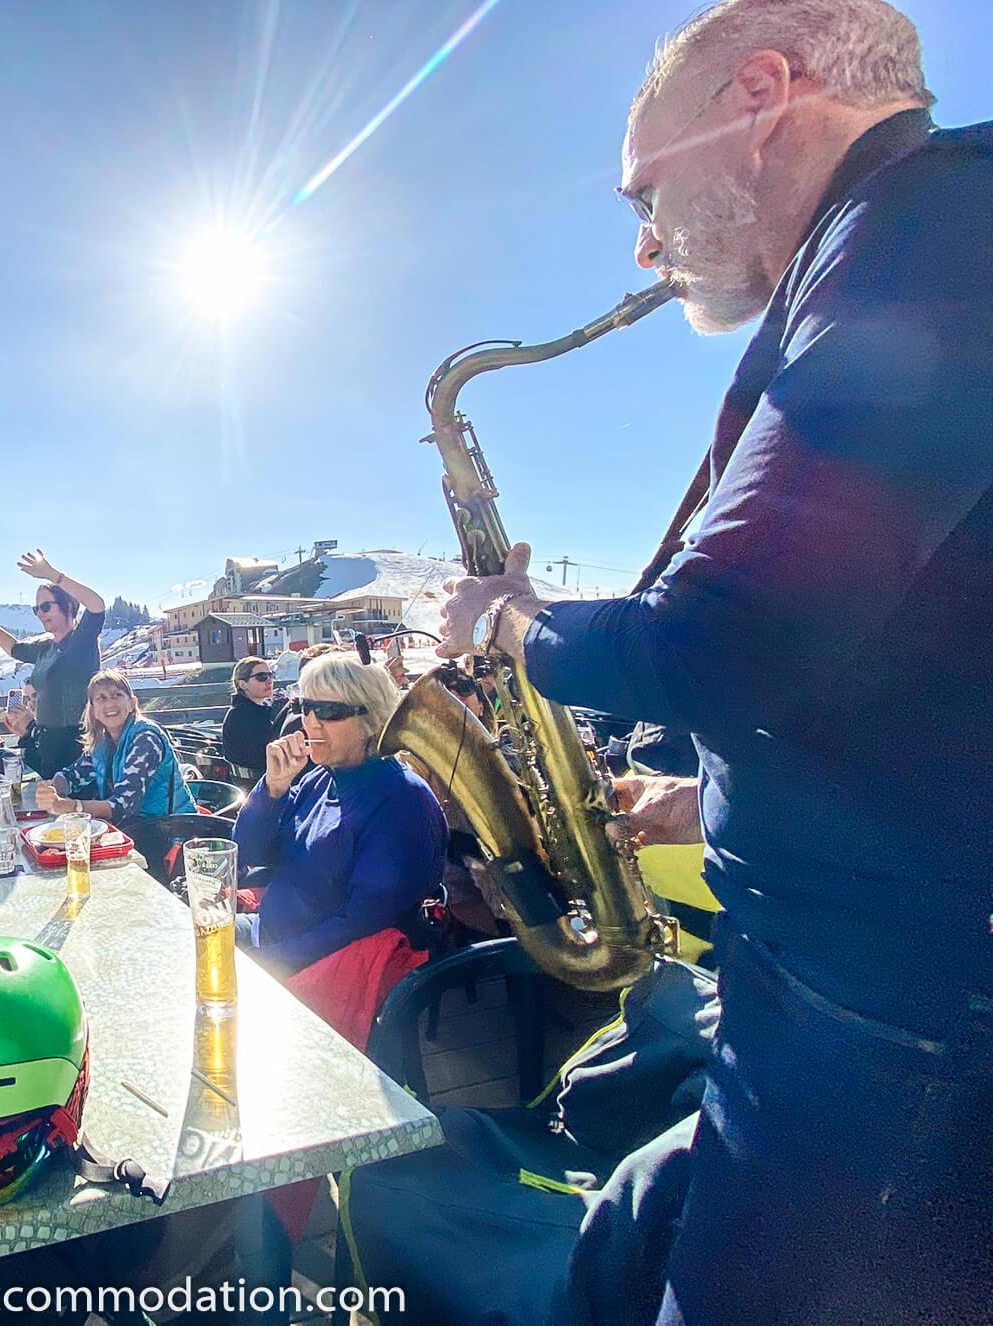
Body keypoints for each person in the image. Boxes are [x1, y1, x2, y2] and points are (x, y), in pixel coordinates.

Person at [437, 3, 992, 1320]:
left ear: (763, 94)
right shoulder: (901, 247)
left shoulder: (922, 237)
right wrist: (704, 799)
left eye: (643, 189)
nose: (641, 240)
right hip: (836, 992)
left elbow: (727, 638)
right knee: (626, 1229)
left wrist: (506, 625)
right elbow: (884, 651)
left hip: (892, 1026)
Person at [230, 654, 447, 976]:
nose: (311, 723)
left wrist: (263, 962)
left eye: (330, 712)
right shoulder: (319, 778)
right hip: (268, 932)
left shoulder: (402, 803)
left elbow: (360, 924)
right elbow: (246, 852)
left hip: (313, 968)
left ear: (372, 719)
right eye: (305, 707)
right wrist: (272, 790)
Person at [0, 551, 106, 776]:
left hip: (77, 744)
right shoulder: (45, 648)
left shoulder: (80, 642)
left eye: (46, 607)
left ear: (68, 605)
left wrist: (52, 575)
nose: (39, 613)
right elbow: (14, 648)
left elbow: (97, 606)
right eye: (36, 609)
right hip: (46, 742)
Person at [36, 670, 198, 823]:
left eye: (117, 695)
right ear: (93, 710)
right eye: (101, 698)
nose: (110, 704)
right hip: (135, 828)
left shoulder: (146, 737)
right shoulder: (102, 742)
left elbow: (123, 805)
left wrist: (71, 807)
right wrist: (53, 788)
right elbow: (73, 776)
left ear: (132, 704)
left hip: (172, 828)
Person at [220, 656, 285, 785]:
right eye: (261, 677)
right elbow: (268, 752)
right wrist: (282, 715)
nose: (269, 681)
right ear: (242, 684)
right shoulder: (244, 714)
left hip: (252, 781)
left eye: (271, 675)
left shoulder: (249, 709)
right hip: (260, 785)